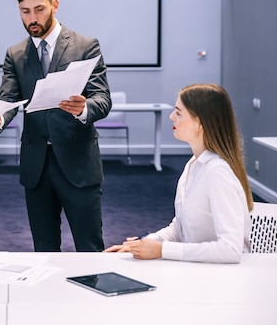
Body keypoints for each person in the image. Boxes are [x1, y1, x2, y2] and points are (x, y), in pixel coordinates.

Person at [0, 0, 111, 252]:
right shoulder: (15, 54)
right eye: (25, 12)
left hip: (78, 164)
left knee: (90, 248)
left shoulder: (85, 45)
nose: (32, 18)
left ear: (55, 5)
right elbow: (9, 100)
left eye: (39, 9)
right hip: (36, 166)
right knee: (44, 250)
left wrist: (84, 108)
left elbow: (103, 99)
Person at [104, 83, 254, 263]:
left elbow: (230, 250)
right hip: (198, 269)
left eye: (178, 112)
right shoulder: (194, 164)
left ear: (200, 122)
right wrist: (144, 244)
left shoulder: (217, 172)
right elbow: (179, 228)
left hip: (223, 278)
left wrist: (162, 250)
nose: (171, 116)